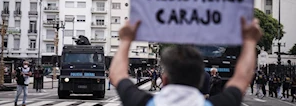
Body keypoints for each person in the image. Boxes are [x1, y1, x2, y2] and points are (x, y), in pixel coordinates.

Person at [109, 17, 262, 106]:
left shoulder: (143, 102)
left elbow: (116, 74)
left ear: (165, 79)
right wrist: (249, 41)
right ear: (200, 79)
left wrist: (126, 39)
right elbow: (243, 77)